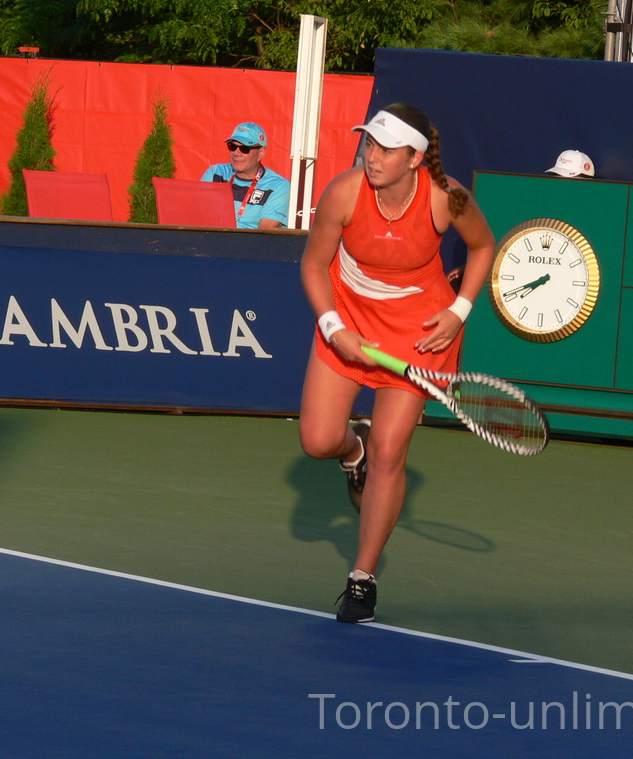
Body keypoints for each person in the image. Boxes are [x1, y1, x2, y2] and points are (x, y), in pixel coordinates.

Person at [298, 103, 496, 623]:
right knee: (318, 440)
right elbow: (314, 264)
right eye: (369, 144)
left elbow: (482, 247)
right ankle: (351, 447)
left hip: (417, 334)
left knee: (390, 452)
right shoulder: (344, 192)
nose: (373, 155)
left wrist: (458, 311)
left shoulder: (445, 198)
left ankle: (362, 578)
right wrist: (333, 328)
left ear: (414, 158)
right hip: (349, 320)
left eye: (386, 148)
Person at [201, 122, 290, 229]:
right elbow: (198, 213)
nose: (236, 153)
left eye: (244, 149)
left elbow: (265, 234)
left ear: (261, 153)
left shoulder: (278, 186)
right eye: (232, 146)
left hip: (249, 244)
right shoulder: (216, 173)